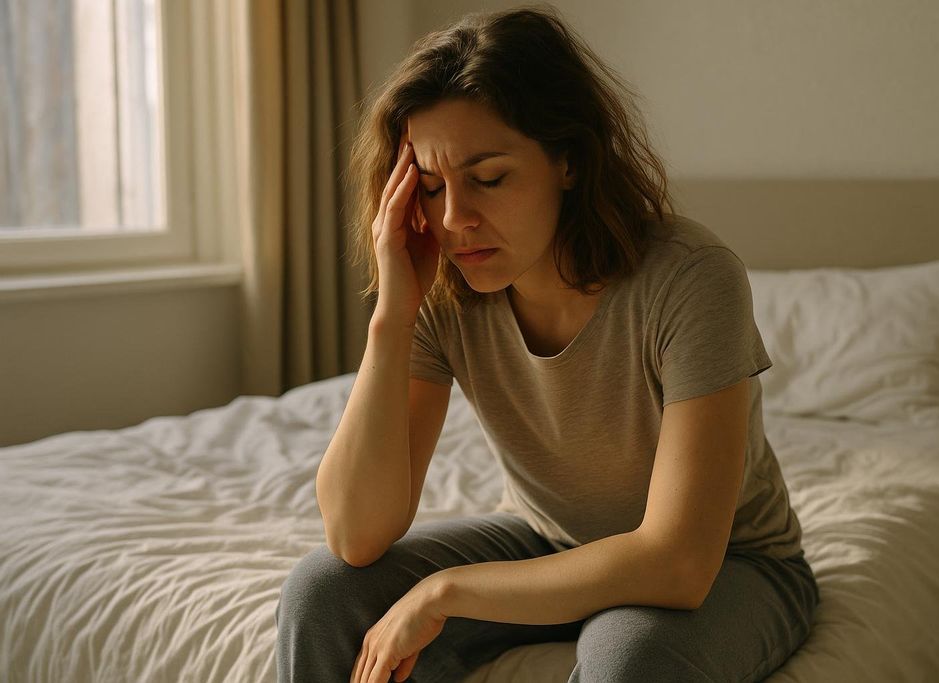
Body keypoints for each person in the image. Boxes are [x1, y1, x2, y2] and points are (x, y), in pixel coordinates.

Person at [276, 5, 819, 682]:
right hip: (547, 540)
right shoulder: (445, 288)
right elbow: (357, 535)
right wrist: (393, 314)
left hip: (733, 563)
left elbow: (678, 563)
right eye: (434, 185)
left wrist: (446, 591)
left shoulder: (689, 277)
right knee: (324, 591)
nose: (456, 220)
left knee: (631, 652)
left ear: (568, 159)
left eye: (489, 177)